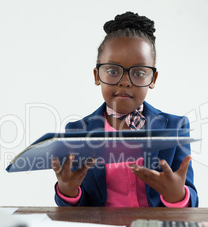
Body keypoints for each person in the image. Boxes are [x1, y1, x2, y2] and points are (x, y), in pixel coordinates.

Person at [52, 11, 198, 207]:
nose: (125, 82)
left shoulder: (176, 127)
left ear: (152, 79)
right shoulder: (77, 132)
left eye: (139, 73)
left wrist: (177, 196)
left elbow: (191, 199)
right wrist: (68, 191)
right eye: (112, 71)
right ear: (97, 75)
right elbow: (78, 207)